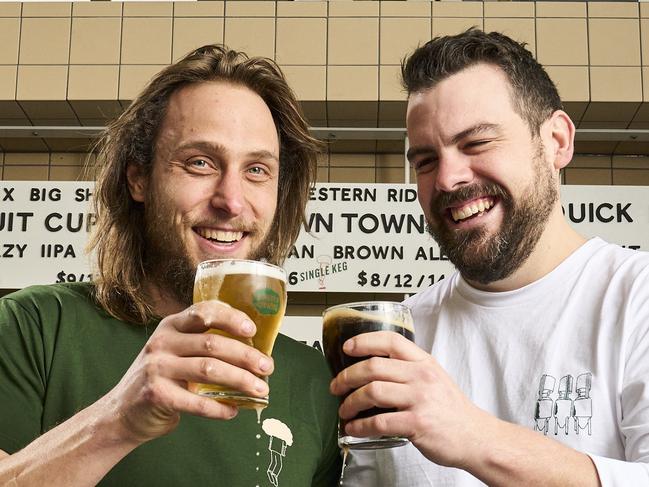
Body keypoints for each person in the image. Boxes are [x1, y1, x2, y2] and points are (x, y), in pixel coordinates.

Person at [0, 45, 341, 486]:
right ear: (138, 177)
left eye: (257, 170)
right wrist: (117, 419)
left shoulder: (314, 381)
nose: (231, 200)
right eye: (200, 163)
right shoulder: (34, 328)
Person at [334, 29, 649, 486]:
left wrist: (474, 437)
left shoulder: (636, 297)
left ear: (557, 141)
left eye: (476, 143)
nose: (447, 179)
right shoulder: (405, 333)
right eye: (424, 160)